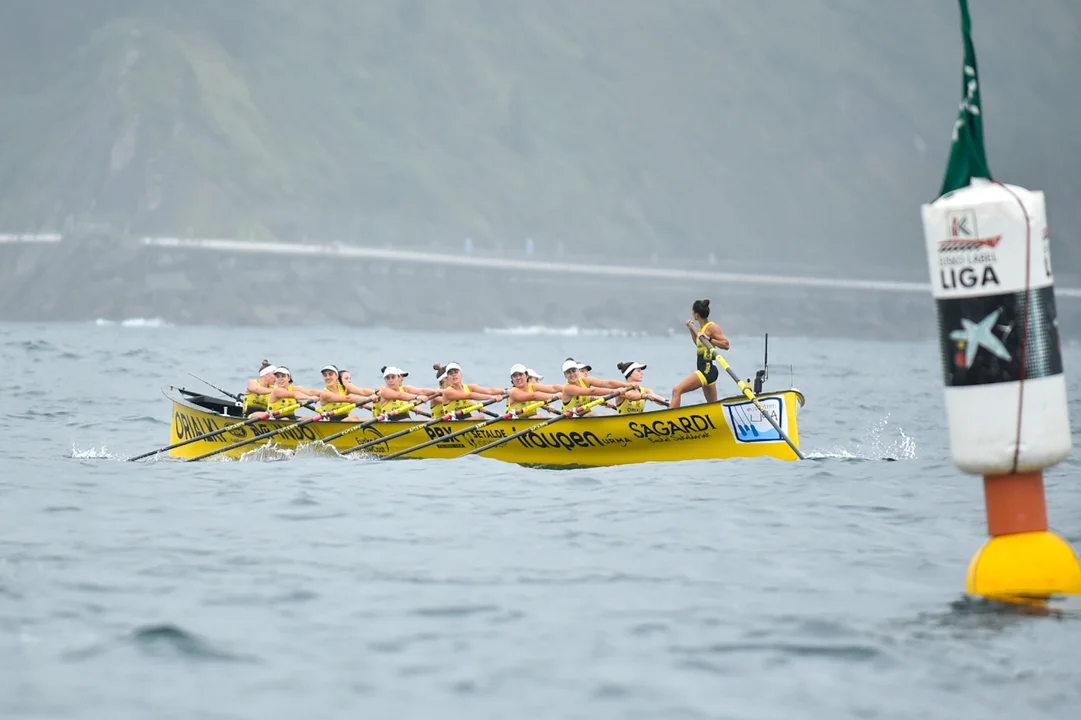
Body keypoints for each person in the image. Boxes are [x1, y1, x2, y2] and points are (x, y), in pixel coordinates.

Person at [670, 298, 731, 409]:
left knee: (677, 390)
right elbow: (698, 343)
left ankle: (671, 418)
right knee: (713, 406)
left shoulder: (712, 327)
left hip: (707, 369)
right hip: (706, 370)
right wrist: (691, 329)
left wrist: (710, 339)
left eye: (692, 312)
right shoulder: (702, 329)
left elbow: (726, 344)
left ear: (696, 314)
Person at [559, 359, 631, 417]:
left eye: (573, 371)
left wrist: (627, 385)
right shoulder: (568, 388)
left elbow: (605, 383)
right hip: (570, 418)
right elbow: (592, 391)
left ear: (577, 371)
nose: (572, 374)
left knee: (612, 415)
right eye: (568, 372)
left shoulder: (585, 380)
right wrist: (614, 391)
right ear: (565, 375)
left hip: (584, 417)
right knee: (592, 414)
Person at [435, 362, 505, 419]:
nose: (454, 375)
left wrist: (506, 391)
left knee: (480, 418)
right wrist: (492, 397)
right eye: (450, 374)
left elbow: (490, 391)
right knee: (480, 417)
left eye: (456, 372)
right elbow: (470, 395)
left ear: (461, 374)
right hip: (453, 421)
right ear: (447, 378)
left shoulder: (470, 387)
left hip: (465, 418)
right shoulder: (448, 391)